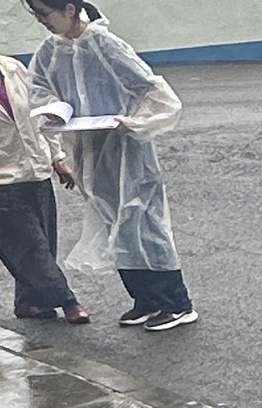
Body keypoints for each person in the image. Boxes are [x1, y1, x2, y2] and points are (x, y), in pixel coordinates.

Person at [25, 1, 194, 331]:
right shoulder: (49, 51)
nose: (43, 21)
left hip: (126, 150)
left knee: (145, 224)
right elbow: (39, 89)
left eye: (46, 13)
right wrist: (54, 110)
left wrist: (136, 121)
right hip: (89, 151)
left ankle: (177, 303)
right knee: (117, 227)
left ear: (70, 9)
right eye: (38, 16)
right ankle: (144, 299)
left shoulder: (106, 45)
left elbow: (154, 91)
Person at [0, 49, 85, 324]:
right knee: (30, 248)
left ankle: (28, 301)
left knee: (44, 242)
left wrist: (57, 158)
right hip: (3, 180)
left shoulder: (13, 69)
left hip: (37, 170)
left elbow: (39, 117)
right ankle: (68, 301)